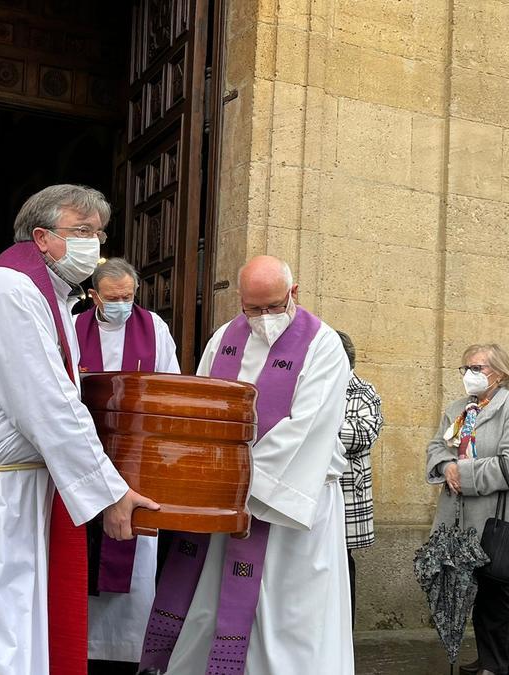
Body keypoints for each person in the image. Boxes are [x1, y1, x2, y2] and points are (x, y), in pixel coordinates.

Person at [0, 185, 157, 675]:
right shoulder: (10, 290)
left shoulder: (48, 295)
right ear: (41, 237)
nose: (94, 244)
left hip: (6, 486)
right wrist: (110, 494)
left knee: (3, 625)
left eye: (98, 233)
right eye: (81, 232)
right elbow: (48, 405)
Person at [140, 256, 353, 675]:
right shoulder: (224, 338)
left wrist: (237, 479)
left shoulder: (323, 344)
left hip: (290, 505)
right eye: (252, 309)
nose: (264, 318)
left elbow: (307, 427)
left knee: (289, 615)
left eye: (274, 306)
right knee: (216, 601)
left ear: (294, 294)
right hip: (231, 502)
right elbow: (203, 408)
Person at [74, 257, 180, 672]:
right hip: (85, 455)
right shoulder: (72, 324)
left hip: (137, 459)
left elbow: (169, 384)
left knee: (135, 569)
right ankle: (78, 651)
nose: (122, 304)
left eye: (128, 297)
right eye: (113, 298)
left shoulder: (154, 327)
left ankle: (129, 656)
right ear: (95, 295)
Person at [425, 343, 509, 675]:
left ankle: (497, 664)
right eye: (466, 369)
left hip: (496, 520)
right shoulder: (457, 408)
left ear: (501, 373)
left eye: (478, 369)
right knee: (468, 591)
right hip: (459, 520)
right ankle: (484, 657)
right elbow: (437, 446)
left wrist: (460, 472)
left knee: (493, 595)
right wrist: (446, 465)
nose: (470, 375)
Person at [334, 330, 382, 626]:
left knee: (342, 563)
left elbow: (364, 433)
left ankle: (344, 636)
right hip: (310, 494)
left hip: (346, 494)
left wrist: (318, 428)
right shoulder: (309, 387)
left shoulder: (363, 391)